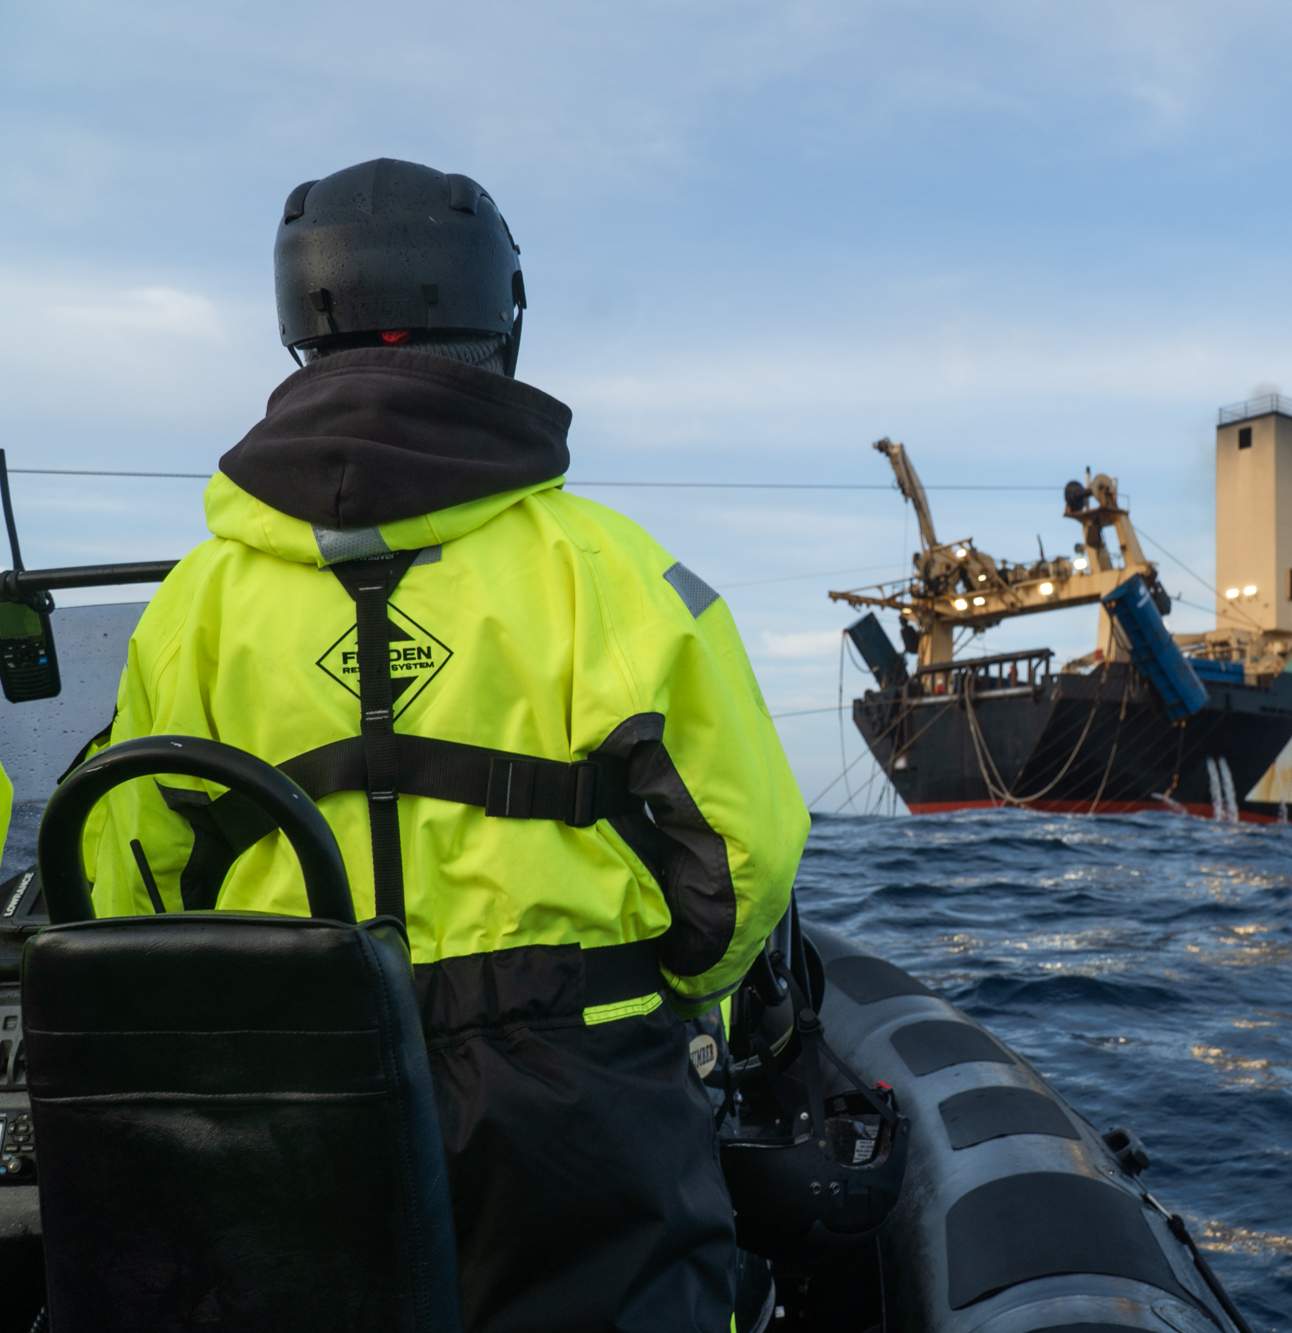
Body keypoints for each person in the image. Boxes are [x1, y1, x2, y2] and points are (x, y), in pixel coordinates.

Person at [75, 158, 807, 1332]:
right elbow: (746, 843)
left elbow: (132, 863)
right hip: (577, 1065)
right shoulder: (614, 566)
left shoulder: (196, 601)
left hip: (293, 1063)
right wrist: (667, 989)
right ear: (503, 318)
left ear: (299, 326)